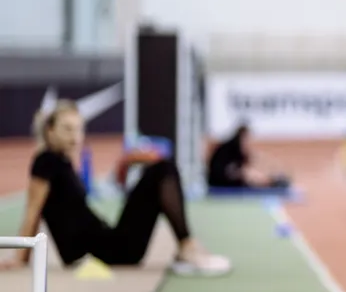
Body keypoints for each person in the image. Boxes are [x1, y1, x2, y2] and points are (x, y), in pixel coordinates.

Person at [0, 100, 232, 275]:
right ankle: (186, 246)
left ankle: (185, 245)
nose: (75, 137)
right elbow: (33, 210)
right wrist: (22, 258)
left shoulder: (61, 161)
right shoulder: (45, 161)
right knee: (163, 170)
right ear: (50, 130)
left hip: (106, 242)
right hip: (102, 253)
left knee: (161, 168)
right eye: (67, 129)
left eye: (79, 129)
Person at [207, 123, 291, 191]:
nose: (248, 142)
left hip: (221, 179)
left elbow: (250, 161)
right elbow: (237, 172)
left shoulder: (234, 148)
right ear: (242, 137)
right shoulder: (229, 149)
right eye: (247, 138)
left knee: (247, 175)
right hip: (219, 182)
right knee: (246, 176)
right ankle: (270, 183)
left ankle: (270, 182)